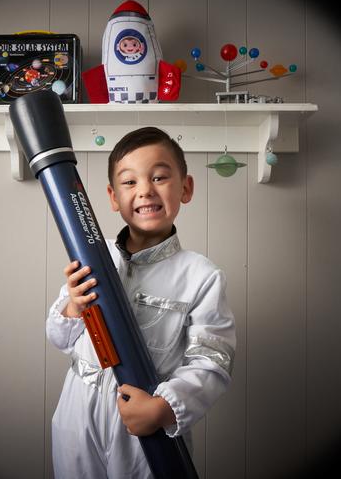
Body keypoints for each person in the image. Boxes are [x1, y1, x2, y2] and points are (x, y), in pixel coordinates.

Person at [46, 126, 236, 478]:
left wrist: (164, 407)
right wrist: (72, 307)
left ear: (186, 187)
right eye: (130, 182)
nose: (146, 190)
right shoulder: (89, 253)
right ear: (113, 197)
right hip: (76, 414)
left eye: (160, 177)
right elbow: (59, 338)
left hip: (144, 424)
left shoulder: (201, 275)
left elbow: (212, 362)